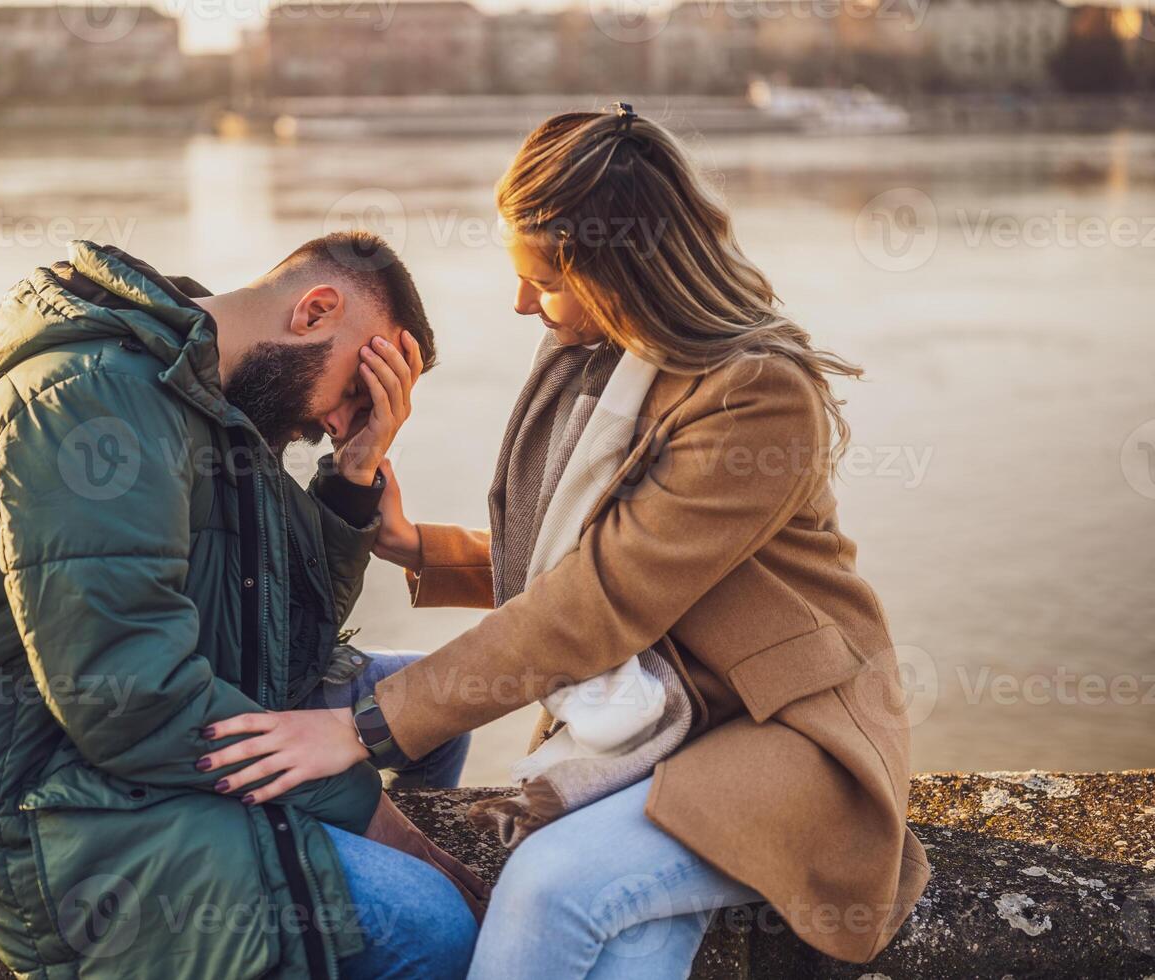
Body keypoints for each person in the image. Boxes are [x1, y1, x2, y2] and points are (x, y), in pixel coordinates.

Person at [200, 106, 932, 978]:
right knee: (628, 943)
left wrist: (365, 728)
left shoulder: (755, 396)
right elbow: (586, 557)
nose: (521, 304)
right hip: (657, 721)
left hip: (775, 730)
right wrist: (418, 546)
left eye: (542, 279)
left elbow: (603, 602)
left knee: (552, 886)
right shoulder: (593, 356)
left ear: (622, 268)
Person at [0, 235, 477, 980]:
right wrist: (373, 814)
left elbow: (292, 640)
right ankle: (323, 887)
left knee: (437, 707)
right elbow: (128, 697)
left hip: (155, 733)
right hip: (62, 799)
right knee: (434, 925)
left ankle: (323, 902)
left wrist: (354, 475)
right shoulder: (90, 401)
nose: (342, 422)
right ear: (314, 310)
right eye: (357, 393)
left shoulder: (211, 397)